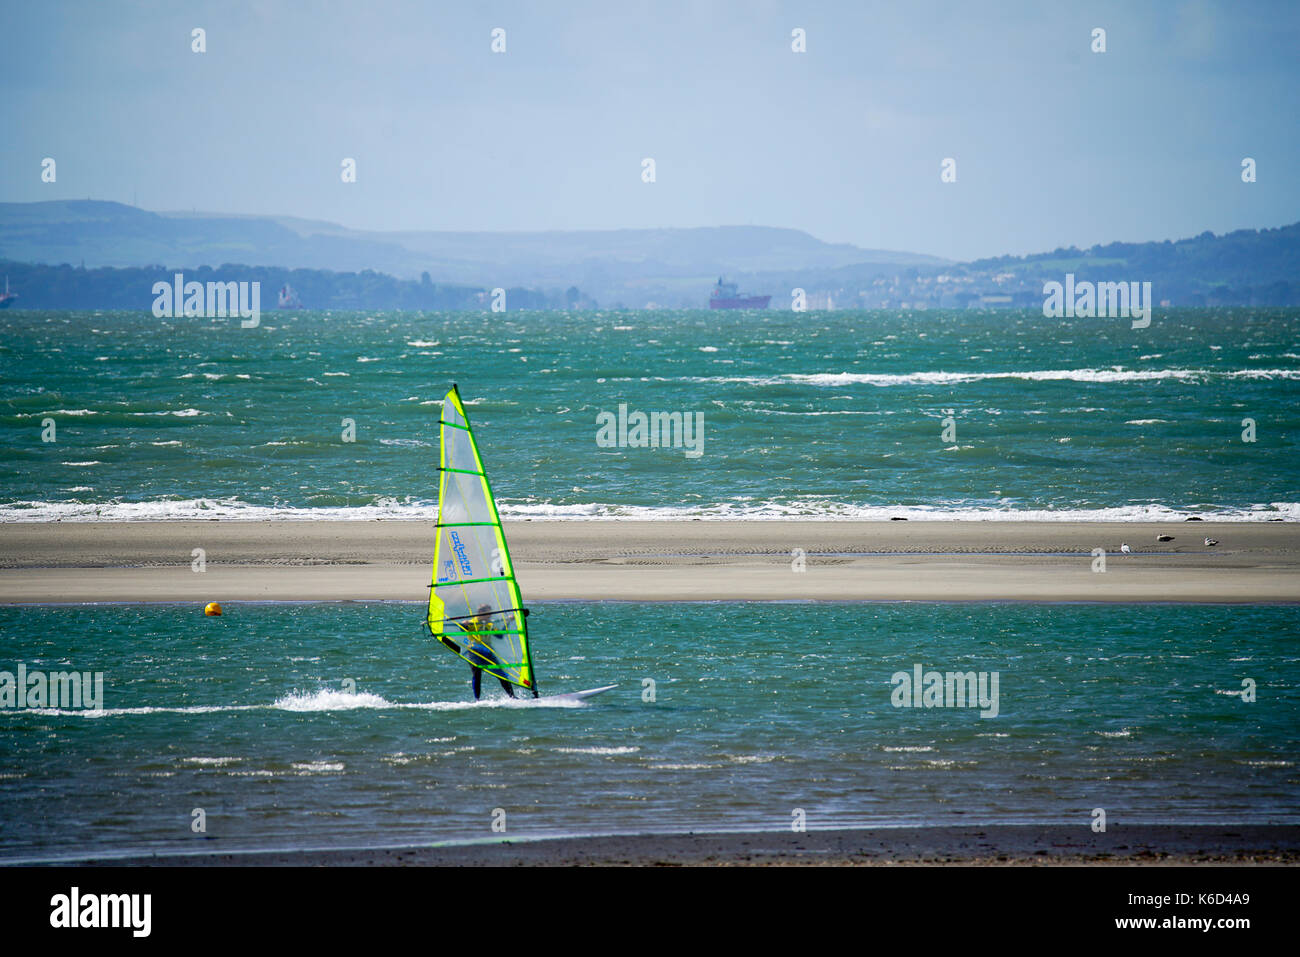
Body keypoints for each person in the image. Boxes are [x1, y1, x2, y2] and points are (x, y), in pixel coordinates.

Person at [462, 604, 516, 700]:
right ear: (480, 613)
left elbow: (499, 635)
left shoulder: (489, 623)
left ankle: (512, 697)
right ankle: (477, 700)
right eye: (488, 613)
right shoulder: (471, 622)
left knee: (502, 674)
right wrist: (462, 625)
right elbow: (462, 629)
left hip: (488, 652)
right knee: (477, 674)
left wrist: (508, 622)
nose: (491, 615)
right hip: (475, 652)